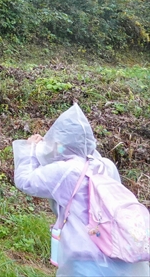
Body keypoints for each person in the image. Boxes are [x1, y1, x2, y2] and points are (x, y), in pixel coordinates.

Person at [13, 104, 149, 277]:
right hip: (123, 254)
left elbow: (25, 181)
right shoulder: (106, 165)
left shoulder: (65, 171)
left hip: (86, 260)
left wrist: (30, 149)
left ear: (58, 142)